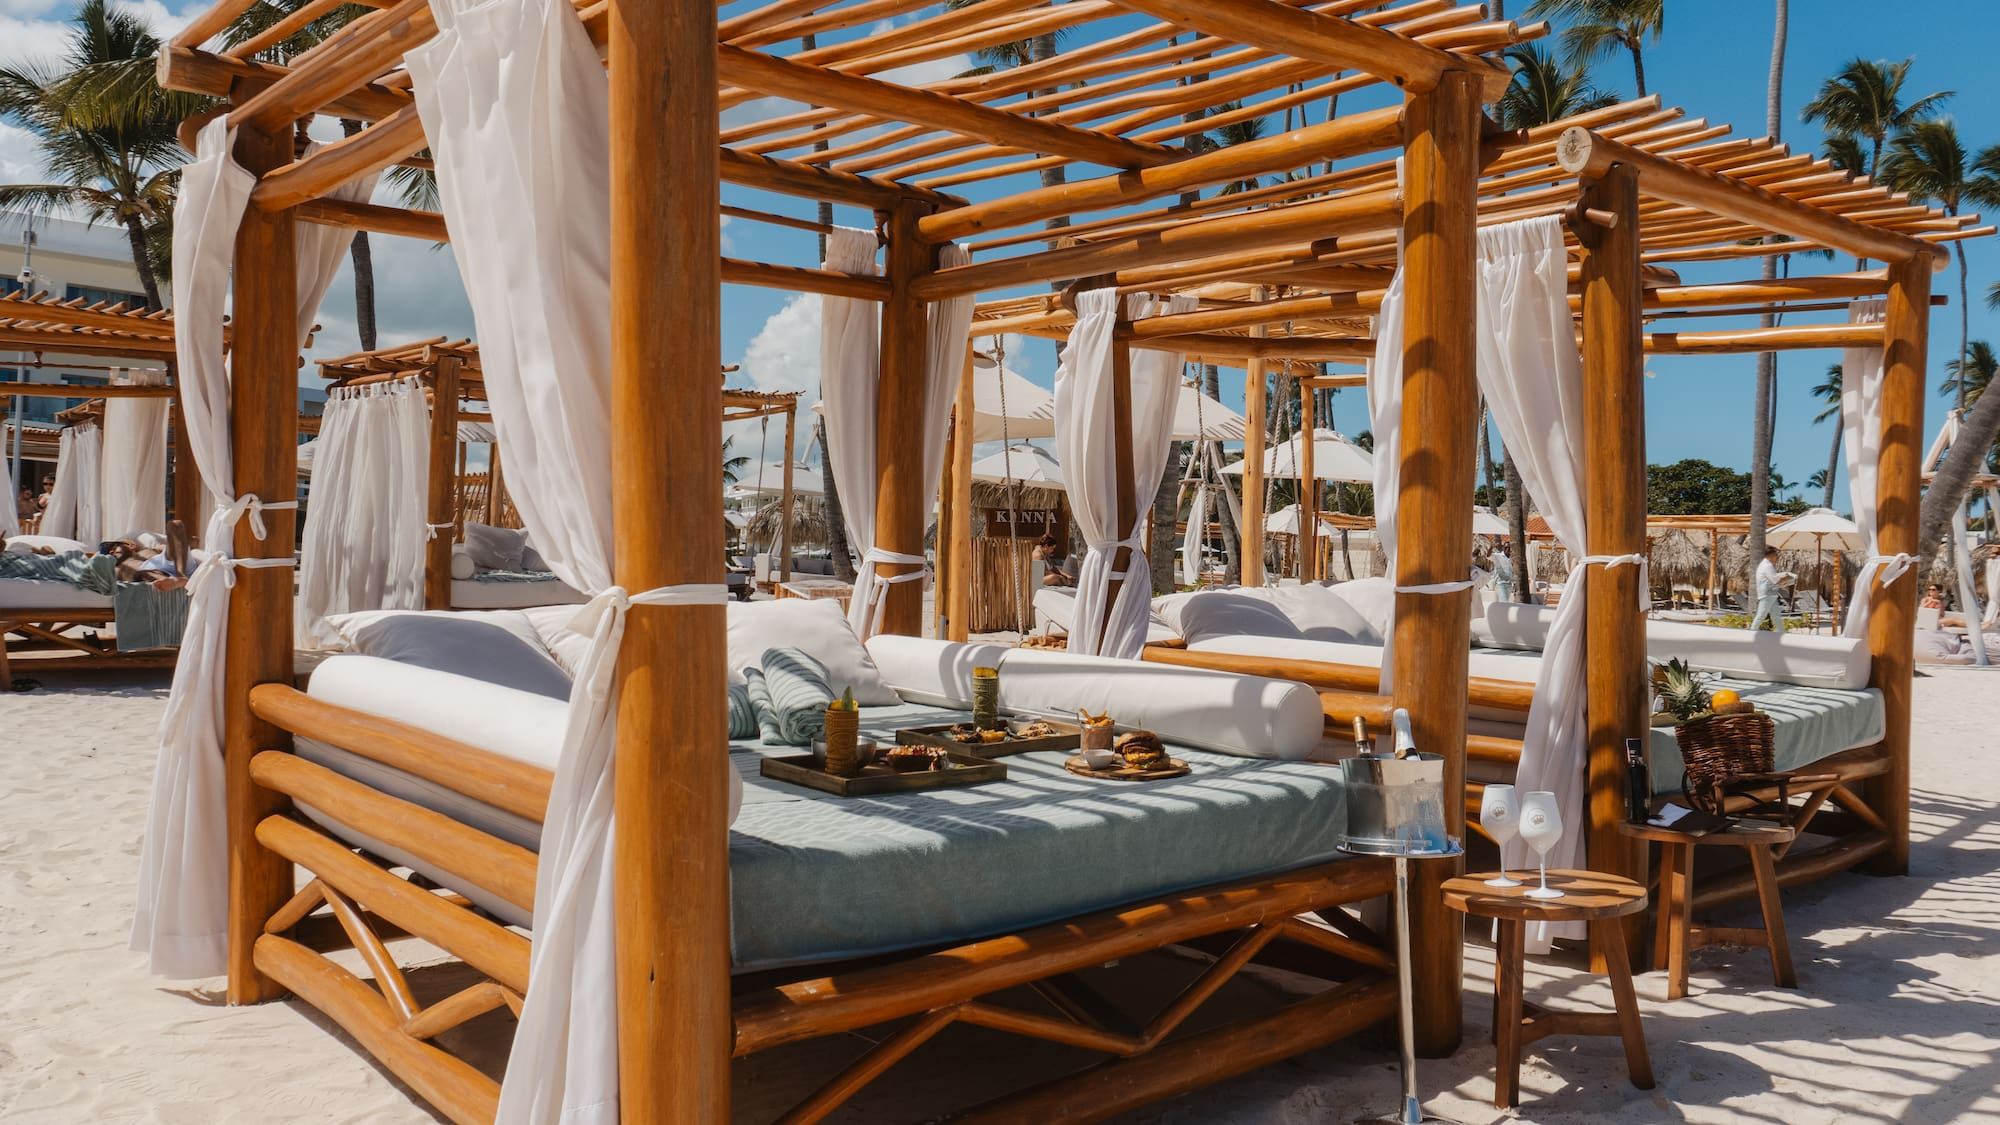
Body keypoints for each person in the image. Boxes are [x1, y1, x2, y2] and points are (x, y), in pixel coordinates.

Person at [1749, 546, 1793, 633]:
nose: (1776, 557)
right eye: (1776, 555)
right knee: (1761, 615)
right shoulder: (1767, 566)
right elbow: (1775, 580)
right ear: (1771, 555)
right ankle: (1752, 631)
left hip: (1770, 594)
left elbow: (1773, 578)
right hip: (1767, 594)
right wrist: (1788, 577)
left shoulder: (1765, 565)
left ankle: (1782, 632)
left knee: (1776, 615)